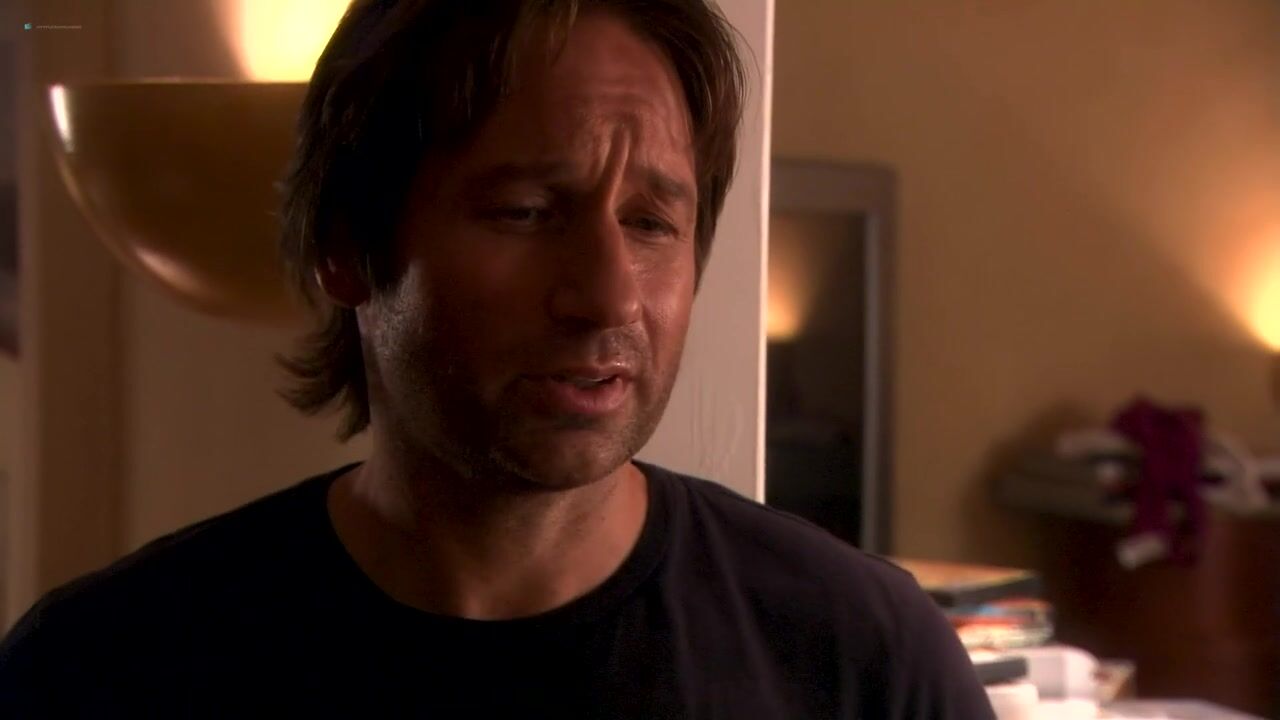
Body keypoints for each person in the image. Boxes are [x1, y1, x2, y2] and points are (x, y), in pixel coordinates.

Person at [0, 0, 995, 716]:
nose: (607, 296)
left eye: (650, 223)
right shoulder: (108, 668)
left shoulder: (857, 657)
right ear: (346, 247)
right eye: (525, 212)